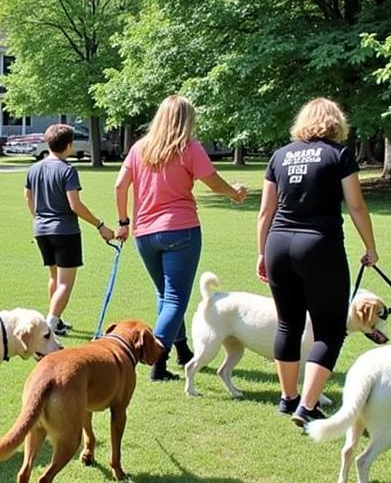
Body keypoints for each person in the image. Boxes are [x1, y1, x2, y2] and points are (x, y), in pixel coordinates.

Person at [257, 97, 378, 426]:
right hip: (319, 246)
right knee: (330, 328)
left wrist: (261, 252)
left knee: (288, 324)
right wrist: (370, 246)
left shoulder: (280, 155)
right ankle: (307, 405)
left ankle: (288, 397)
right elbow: (356, 205)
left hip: (278, 244)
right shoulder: (339, 154)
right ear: (335, 122)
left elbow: (266, 212)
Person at [114, 94, 247, 380]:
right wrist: (234, 192)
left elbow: (120, 185)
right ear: (186, 120)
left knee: (165, 295)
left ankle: (181, 351)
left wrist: (123, 221)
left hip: (145, 234)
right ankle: (153, 359)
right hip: (180, 230)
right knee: (174, 299)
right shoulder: (188, 147)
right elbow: (212, 182)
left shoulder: (140, 148)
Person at [24, 123, 116, 336]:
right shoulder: (67, 170)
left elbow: (29, 197)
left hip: (41, 229)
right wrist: (100, 225)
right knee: (65, 282)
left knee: (54, 277)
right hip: (64, 231)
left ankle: (57, 321)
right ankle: (51, 323)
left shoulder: (34, 168)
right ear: (68, 145)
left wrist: (38, 217)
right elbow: (75, 205)